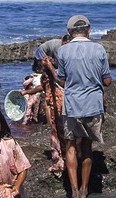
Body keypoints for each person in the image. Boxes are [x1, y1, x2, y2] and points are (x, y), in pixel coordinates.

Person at [44, 15, 112, 198]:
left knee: (71, 147)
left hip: (72, 105)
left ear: (69, 33)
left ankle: (73, 194)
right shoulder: (99, 49)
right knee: (88, 147)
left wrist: (51, 69)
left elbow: (62, 81)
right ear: (89, 30)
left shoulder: (63, 51)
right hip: (93, 104)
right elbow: (107, 80)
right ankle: (84, 191)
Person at [34, 35, 71, 178]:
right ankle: (60, 155)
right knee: (56, 124)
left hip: (57, 90)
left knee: (60, 124)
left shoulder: (64, 51)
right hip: (43, 58)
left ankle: (64, 154)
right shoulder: (58, 50)